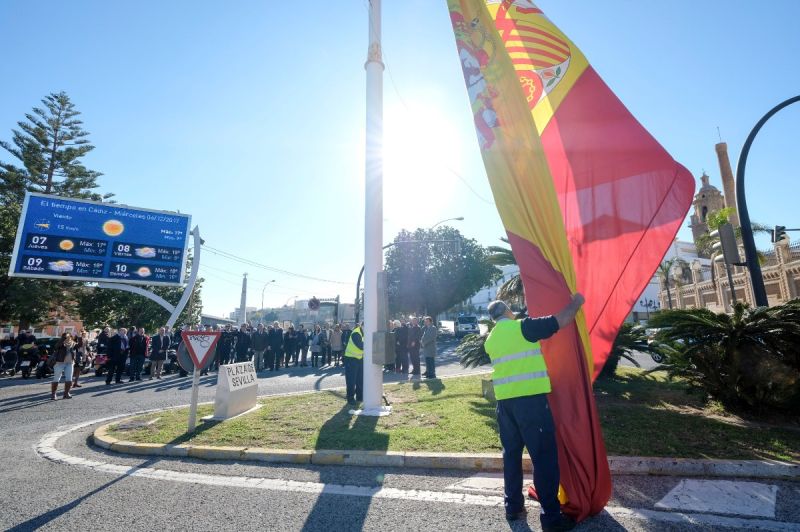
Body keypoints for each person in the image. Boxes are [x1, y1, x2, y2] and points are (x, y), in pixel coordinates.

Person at [483, 296, 584, 530]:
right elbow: (560, 320)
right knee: (544, 458)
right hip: (531, 403)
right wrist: (577, 302)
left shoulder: (491, 339)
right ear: (508, 311)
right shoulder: (523, 328)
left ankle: (513, 507)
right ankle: (551, 519)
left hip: (504, 405)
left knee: (511, 456)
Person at [343, 322, 364, 405]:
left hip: (359, 358)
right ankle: (350, 398)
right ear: (362, 326)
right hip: (351, 359)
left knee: (360, 379)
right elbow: (361, 346)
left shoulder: (364, 333)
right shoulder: (356, 332)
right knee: (351, 380)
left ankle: (360, 397)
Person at [51, 333, 76, 400]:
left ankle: (66, 393)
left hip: (70, 363)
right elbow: (56, 347)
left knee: (69, 379)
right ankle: (53, 394)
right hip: (60, 362)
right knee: (56, 378)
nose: (68, 337)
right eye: (66, 336)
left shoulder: (73, 343)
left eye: (69, 336)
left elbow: (79, 346)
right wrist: (63, 340)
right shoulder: (61, 343)